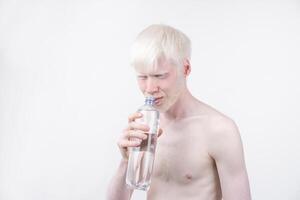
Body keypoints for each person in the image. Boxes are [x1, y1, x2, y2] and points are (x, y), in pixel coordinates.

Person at [107, 24, 251, 200]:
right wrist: (126, 160)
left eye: (160, 76)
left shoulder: (219, 130)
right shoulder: (145, 126)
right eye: (142, 77)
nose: (150, 88)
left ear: (186, 68)